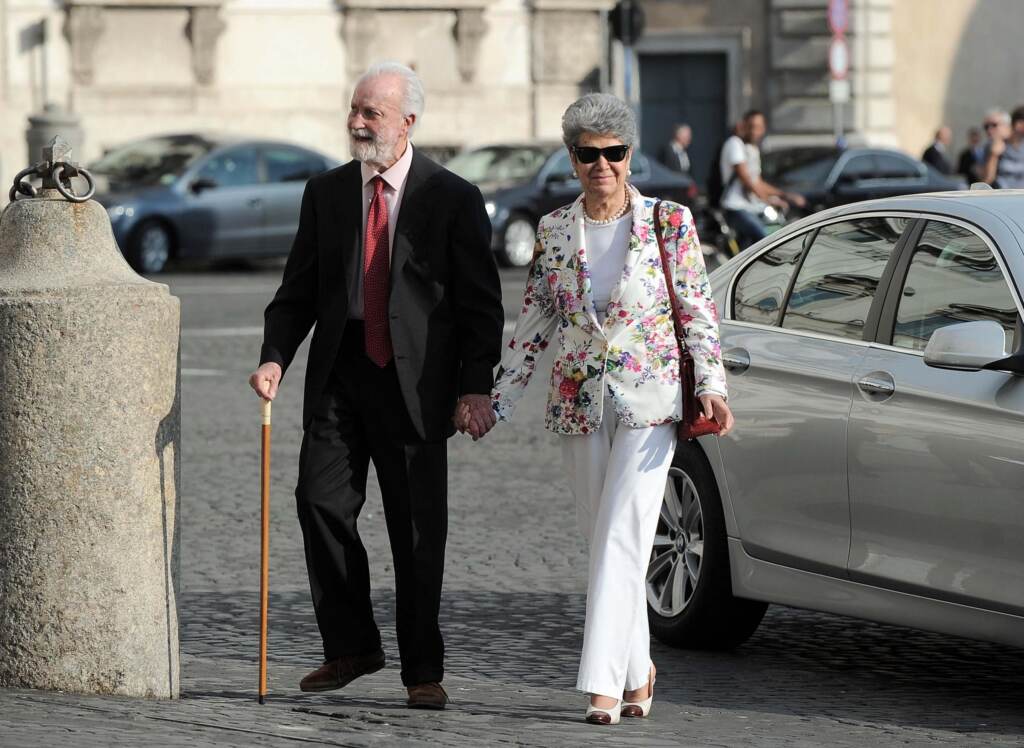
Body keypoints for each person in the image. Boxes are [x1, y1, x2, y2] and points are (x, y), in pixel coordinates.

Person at [247, 62, 503, 710]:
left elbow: (480, 305)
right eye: (355, 111)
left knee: (416, 531)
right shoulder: (327, 193)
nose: (358, 124)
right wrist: (276, 355)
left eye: (373, 114)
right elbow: (297, 290)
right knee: (318, 502)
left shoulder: (451, 196)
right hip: (340, 375)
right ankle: (352, 644)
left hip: (416, 387)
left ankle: (423, 668)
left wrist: (475, 388)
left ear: (408, 121)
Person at [488, 93, 734, 726]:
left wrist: (712, 384)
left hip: (649, 401)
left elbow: (697, 311)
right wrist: (500, 399)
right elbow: (536, 320)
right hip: (577, 401)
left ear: (631, 156)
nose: (602, 164)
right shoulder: (553, 230)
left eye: (614, 153)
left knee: (624, 534)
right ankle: (637, 670)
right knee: (603, 539)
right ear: (572, 160)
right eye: (589, 154)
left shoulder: (670, 223)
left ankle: (599, 681)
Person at [719, 109, 805, 250]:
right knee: (766, 241)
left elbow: (758, 182)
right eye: (751, 126)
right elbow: (747, 180)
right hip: (735, 207)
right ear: (743, 125)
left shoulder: (751, 149)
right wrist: (768, 199)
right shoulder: (734, 144)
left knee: (773, 233)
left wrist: (783, 195)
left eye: (758, 127)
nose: (754, 131)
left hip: (751, 207)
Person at [982, 105, 1024, 189]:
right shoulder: (989, 146)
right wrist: (994, 155)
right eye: (986, 127)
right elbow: (987, 181)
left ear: (1008, 125)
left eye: (994, 125)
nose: (989, 130)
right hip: (1002, 197)